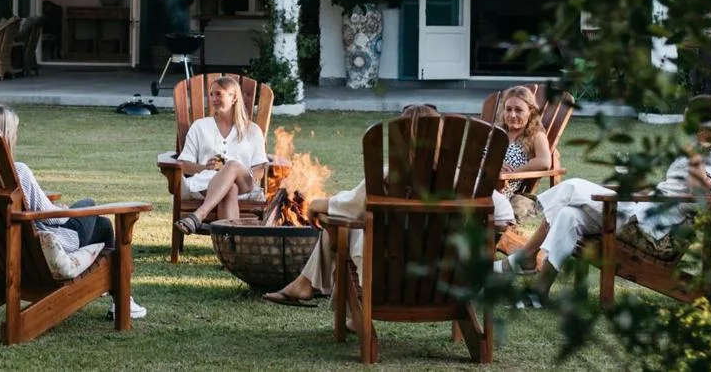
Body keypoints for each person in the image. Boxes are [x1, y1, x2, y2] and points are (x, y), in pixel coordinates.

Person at [263, 105, 516, 308]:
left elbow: (350, 206)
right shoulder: (464, 181)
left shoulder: (386, 175)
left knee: (343, 226)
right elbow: (504, 212)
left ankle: (324, 295)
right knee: (348, 222)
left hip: (387, 275)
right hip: (447, 276)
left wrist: (316, 204)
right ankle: (308, 286)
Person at [495, 96, 711, 301]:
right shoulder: (702, 150)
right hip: (641, 208)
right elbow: (672, 189)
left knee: (572, 186)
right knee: (568, 214)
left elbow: (705, 188)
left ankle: (527, 238)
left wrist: (694, 156)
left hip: (651, 225)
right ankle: (539, 291)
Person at [0, 103, 146, 319]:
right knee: (88, 204)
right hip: (43, 252)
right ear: (8, 136)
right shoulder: (17, 172)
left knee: (103, 225)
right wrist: (62, 210)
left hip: (6, 251)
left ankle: (117, 291)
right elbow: (49, 214)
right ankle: (122, 299)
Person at [173, 76, 268, 235]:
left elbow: (260, 168)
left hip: (245, 185)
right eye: (211, 95)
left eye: (219, 94)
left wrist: (235, 171)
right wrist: (205, 167)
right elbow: (184, 164)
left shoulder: (252, 130)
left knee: (232, 165)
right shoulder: (200, 127)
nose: (213, 99)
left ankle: (199, 215)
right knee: (230, 188)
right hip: (207, 184)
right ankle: (231, 248)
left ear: (234, 97)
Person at [494, 86, 551, 198]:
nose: (512, 115)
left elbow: (544, 161)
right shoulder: (497, 133)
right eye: (508, 109)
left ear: (531, 111)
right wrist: (493, 165)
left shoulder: (535, 135)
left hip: (496, 190)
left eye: (519, 110)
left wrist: (511, 174)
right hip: (474, 178)